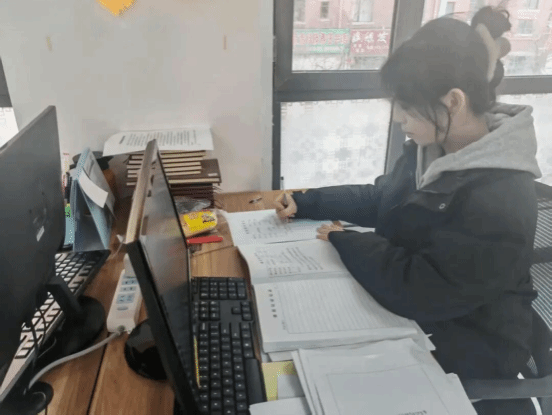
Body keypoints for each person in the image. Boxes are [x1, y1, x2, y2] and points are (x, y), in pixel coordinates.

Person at [275, 6, 541, 415]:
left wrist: (347, 241)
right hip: (414, 314)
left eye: (407, 105)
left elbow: (421, 289)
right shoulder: (433, 149)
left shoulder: (500, 196)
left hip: (468, 345)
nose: (398, 117)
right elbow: (383, 198)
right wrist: (308, 201)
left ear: (453, 101)